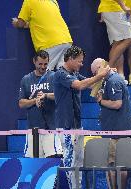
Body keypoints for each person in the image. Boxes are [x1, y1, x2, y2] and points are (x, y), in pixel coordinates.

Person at [53, 46, 110, 189]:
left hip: (77, 125)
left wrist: (107, 74)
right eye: (79, 61)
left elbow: (91, 85)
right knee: (69, 162)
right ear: (70, 59)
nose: (81, 64)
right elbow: (78, 86)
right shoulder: (60, 74)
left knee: (78, 161)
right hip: (66, 126)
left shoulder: (74, 73)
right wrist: (99, 75)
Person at [91, 58, 131, 189]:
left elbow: (117, 104)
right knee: (117, 164)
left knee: (114, 165)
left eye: (95, 73)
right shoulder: (108, 80)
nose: (95, 76)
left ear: (100, 68)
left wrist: (100, 101)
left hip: (117, 132)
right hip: (114, 130)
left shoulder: (113, 81)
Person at [18, 50, 62, 158]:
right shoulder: (26, 79)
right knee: (33, 165)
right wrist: (34, 100)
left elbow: (61, 96)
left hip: (51, 128)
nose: (43, 67)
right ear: (34, 62)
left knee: (53, 162)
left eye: (45, 64)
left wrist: (46, 95)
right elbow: (21, 103)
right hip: (33, 129)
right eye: (40, 64)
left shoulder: (54, 77)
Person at [12, 0, 72, 70]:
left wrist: (16, 22)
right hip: (66, 39)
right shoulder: (53, 1)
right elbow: (44, 19)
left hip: (50, 43)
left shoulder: (29, 1)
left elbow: (20, 24)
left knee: (44, 73)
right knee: (63, 74)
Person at [98, 0, 131, 69]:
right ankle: (108, 68)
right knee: (129, 39)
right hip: (115, 10)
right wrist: (124, 6)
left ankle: (110, 72)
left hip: (111, 9)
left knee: (116, 43)